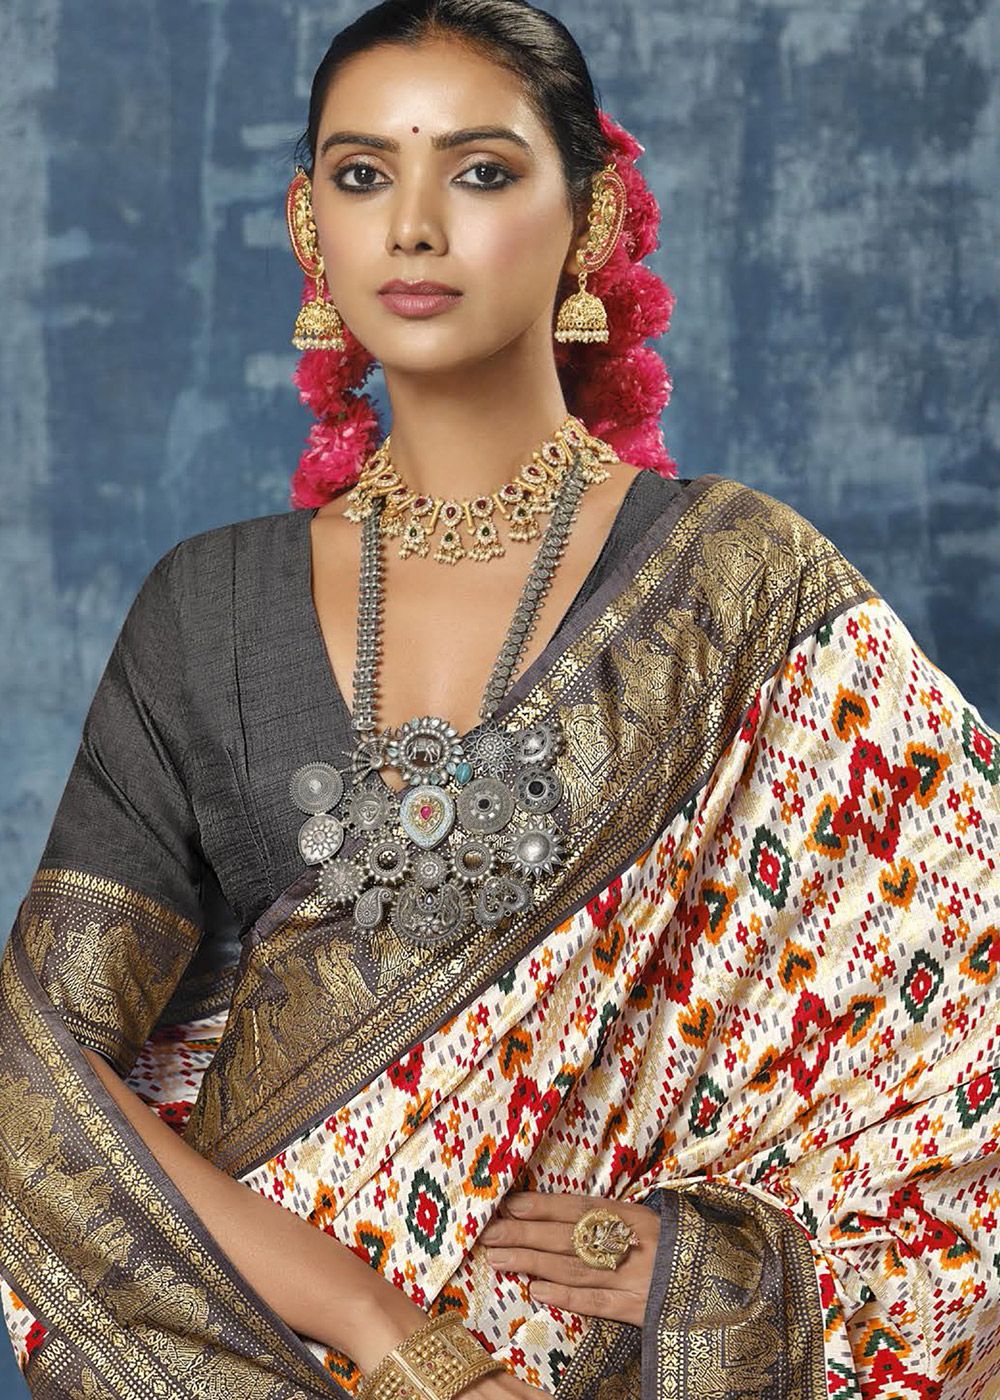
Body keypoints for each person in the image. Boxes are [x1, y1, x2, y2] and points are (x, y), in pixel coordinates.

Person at [1, 2, 998, 1397]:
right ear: (307, 225)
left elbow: (963, 1007)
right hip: (263, 1355)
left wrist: (717, 1276)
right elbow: (32, 1074)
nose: (413, 227)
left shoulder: (738, 590)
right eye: (363, 175)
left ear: (592, 219)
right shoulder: (207, 609)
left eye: (478, 171)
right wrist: (391, 1333)